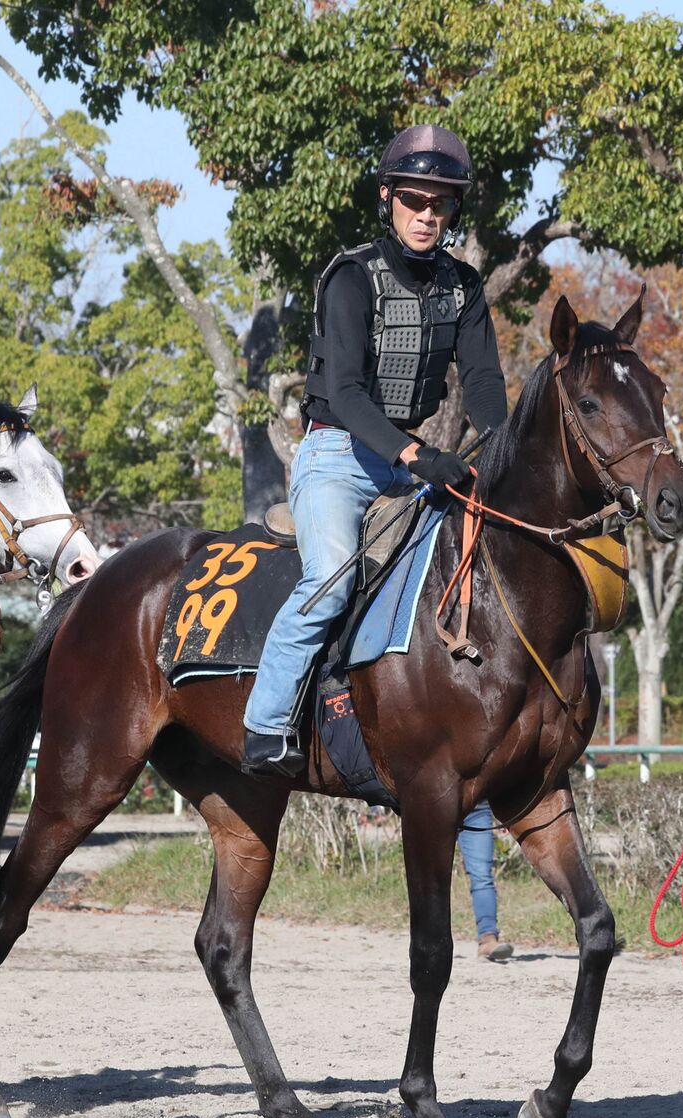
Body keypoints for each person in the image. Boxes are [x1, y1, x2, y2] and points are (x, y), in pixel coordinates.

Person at [241, 125, 508, 776]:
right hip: (336, 451)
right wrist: (418, 458)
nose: (427, 215)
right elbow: (351, 396)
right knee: (331, 584)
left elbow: (481, 384)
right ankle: (265, 723)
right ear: (387, 198)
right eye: (414, 201)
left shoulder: (464, 288)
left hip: (403, 456)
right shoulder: (352, 279)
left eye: (439, 204)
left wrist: (502, 452)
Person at [457, 801, 514, 961]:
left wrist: (505, 810)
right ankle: (428, 939)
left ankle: (488, 939)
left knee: (482, 876)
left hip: (476, 809)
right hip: (433, 804)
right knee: (431, 877)